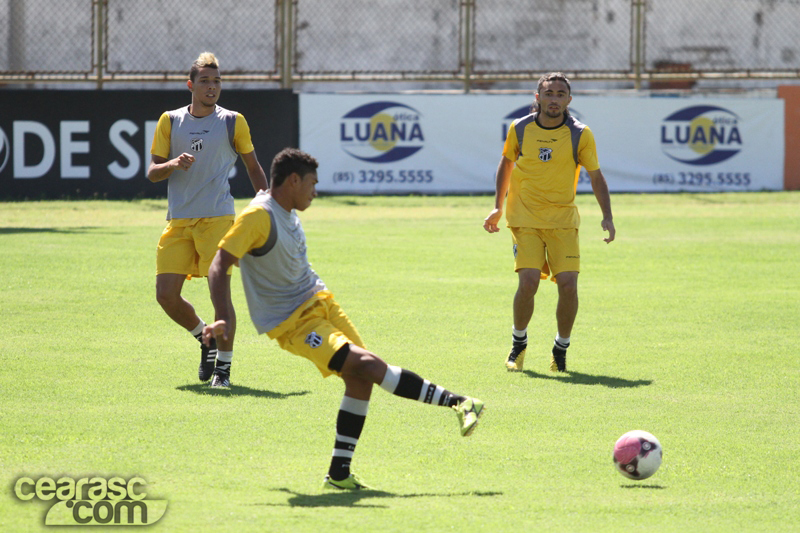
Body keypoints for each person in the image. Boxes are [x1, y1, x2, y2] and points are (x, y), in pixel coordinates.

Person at [202, 148, 484, 490]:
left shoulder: (285, 208)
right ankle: (458, 402)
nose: (315, 192)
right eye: (312, 184)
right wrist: (222, 320)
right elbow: (219, 264)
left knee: (361, 377)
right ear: (293, 181)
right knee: (367, 365)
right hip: (296, 325)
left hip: (323, 304)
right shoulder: (258, 216)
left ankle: (338, 474)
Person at [147, 52, 268, 388]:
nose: (212, 87)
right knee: (166, 295)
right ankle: (205, 337)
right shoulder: (170, 120)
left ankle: (224, 371)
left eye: (216, 81)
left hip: (217, 219)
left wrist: (266, 205)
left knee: (220, 298)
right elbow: (153, 172)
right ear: (191, 85)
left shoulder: (232, 121)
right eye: (205, 81)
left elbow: (254, 168)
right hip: (179, 221)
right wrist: (172, 164)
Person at [483, 72, 615, 373]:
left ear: (569, 100)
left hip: (562, 221)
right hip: (525, 217)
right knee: (528, 281)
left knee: (568, 285)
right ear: (537, 97)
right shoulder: (520, 128)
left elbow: (596, 176)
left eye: (560, 94)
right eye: (548, 93)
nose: (553, 99)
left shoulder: (581, 134)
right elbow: (506, 163)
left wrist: (607, 215)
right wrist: (497, 207)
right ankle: (518, 344)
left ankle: (561, 347)